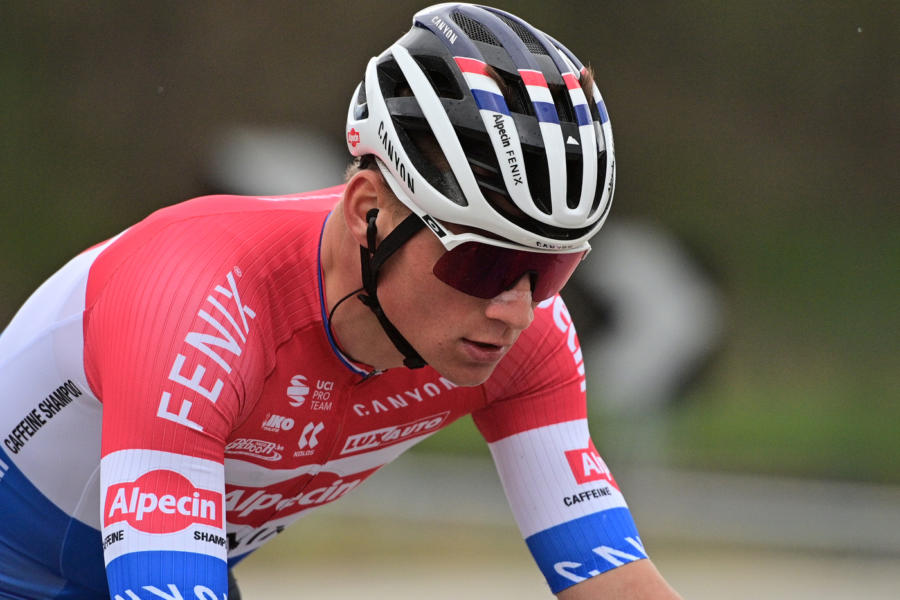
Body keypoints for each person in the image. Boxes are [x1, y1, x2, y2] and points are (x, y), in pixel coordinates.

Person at [0, 3, 681, 599]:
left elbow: (611, 580)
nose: (516, 309)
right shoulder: (198, 303)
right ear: (367, 211)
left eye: (550, 269)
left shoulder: (527, 334)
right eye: (483, 262)